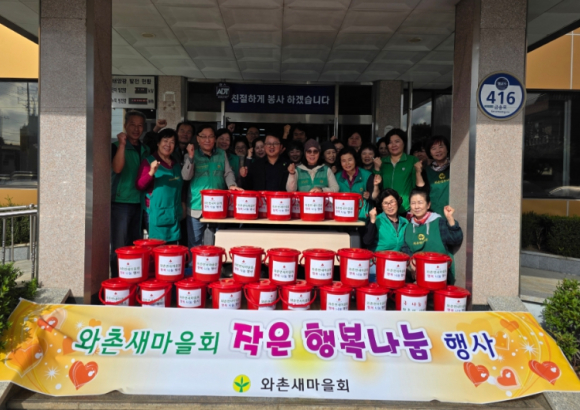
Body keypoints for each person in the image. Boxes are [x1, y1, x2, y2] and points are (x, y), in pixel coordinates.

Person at [182, 124, 241, 248]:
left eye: (210, 136)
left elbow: (228, 172)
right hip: (196, 207)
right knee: (195, 245)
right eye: (204, 137)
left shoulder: (221, 154)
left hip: (217, 207)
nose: (207, 140)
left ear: (215, 139)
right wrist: (191, 158)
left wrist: (231, 185)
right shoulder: (190, 155)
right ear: (198, 139)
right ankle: (194, 262)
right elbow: (186, 176)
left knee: (217, 244)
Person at [110, 110, 150, 276]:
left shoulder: (145, 149)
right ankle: (118, 281)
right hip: (121, 203)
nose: (136, 129)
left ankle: (132, 279)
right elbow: (117, 168)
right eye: (132, 124)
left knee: (135, 245)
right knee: (119, 246)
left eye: (140, 125)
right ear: (125, 125)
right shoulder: (116, 146)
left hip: (139, 203)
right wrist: (122, 145)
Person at [401, 188, 463, 285]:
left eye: (420, 202)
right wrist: (411, 261)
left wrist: (450, 218)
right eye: (413, 203)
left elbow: (455, 239)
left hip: (438, 274)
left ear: (428, 205)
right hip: (417, 274)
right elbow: (405, 248)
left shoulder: (439, 222)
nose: (416, 206)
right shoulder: (408, 227)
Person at [136, 129, 183, 242]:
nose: (168, 145)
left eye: (172, 142)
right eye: (165, 141)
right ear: (158, 143)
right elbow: (139, 186)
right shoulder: (149, 162)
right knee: (157, 248)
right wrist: (151, 172)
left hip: (173, 213)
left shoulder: (176, 164)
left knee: (172, 249)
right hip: (155, 214)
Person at [373, 128, 424, 215]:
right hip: (387, 209)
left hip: (406, 209)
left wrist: (414, 207)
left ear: (404, 142)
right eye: (390, 142)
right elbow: (378, 186)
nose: (393, 145)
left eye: (397, 141)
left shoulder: (412, 160)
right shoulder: (382, 162)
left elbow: (415, 187)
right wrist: (377, 169)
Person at [335, 147, 381, 220]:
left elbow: (374, 197)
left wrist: (374, 188)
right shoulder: (337, 176)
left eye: (350, 160)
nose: (347, 163)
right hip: (342, 215)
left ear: (355, 160)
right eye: (343, 161)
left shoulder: (367, 175)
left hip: (362, 217)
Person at [423, 136, 450, 217]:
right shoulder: (426, 171)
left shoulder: (455, 167)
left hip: (453, 212)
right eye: (433, 148)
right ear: (430, 153)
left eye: (441, 147)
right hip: (434, 214)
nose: (438, 151)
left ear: (447, 149)